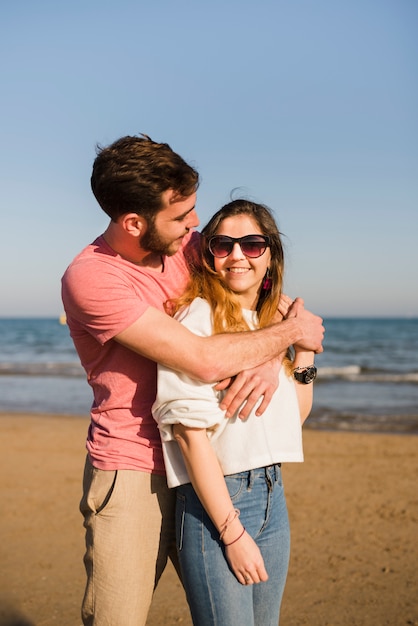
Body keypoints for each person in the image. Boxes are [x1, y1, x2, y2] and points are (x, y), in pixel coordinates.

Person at [61, 134, 324, 626]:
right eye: (181, 217)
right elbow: (202, 359)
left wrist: (272, 356)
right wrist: (286, 335)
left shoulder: (189, 245)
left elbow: (257, 281)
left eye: (194, 212)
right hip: (136, 466)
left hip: (218, 464)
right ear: (135, 222)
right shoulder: (92, 278)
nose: (196, 228)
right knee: (119, 617)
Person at [152, 199, 316, 626]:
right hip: (217, 504)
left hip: (272, 494)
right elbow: (190, 436)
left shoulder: (271, 325)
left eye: (252, 244)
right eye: (223, 245)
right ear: (209, 256)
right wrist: (232, 531)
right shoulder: (197, 319)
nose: (237, 255)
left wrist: (305, 352)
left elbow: (291, 419)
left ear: (271, 255)